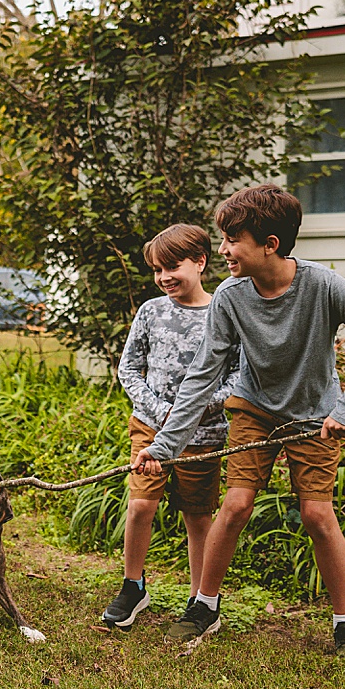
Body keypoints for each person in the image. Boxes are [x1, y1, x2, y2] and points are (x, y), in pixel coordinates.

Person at [134, 184, 345, 666]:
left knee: (317, 515)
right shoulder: (231, 299)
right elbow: (204, 376)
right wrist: (165, 447)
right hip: (254, 409)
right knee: (235, 504)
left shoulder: (322, 285)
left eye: (231, 240)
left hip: (314, 413)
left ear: (270, 244)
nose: (222, 251)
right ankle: (205, 606)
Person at [102, 224, 237, 630]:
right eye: (157, 270)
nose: (164, 277)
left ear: (200, 261)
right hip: (150, 428)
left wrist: (192, 411)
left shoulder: (225, 313)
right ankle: (133, 585)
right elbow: (128, 369)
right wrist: (160, 411)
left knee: (198, 517)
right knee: (141, 504)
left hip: (205, 434)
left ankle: (201, 600)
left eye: (172, 266)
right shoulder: (151, 311)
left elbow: (237, 380)